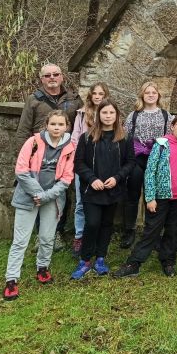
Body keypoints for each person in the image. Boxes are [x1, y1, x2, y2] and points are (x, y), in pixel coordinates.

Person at [113, 115, 177, 278]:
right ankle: (134, 263)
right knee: (151, 230)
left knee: (173, 231)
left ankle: (168, 260)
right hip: (160, 198)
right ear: (172, 127)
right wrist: (150, 197)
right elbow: (150, 172)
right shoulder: (161, 145)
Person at [3, 110, 76, 300]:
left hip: (52, 198)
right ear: (47, 125)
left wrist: (46, 196)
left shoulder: (70, 147)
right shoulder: (33, 142)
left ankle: (42, 267)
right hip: (28, 196)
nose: (56, 128)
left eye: (60, 124)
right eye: (53, 124)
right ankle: (11, 279)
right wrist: (37, 193)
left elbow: (66, 178)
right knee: (20, 241)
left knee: (47, 237)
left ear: (66, 126)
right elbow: (21, 170)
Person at [15, 63, 83, 251]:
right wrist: (24, 158)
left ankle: (57, 232)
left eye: (55, 74)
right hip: (39, 158)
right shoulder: (34, 100)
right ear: (41, 79)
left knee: (61, 195)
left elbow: (82, 126)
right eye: (47, 75)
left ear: (62, 77)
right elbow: (23, 130)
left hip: (64, 156)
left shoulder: (74, 99)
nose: (52, 78)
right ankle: (41, 235)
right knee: (38, 194)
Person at [72, 99, 135, 279]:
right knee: (92, 223)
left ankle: (100, 258)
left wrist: (117, 178)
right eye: (104, 112)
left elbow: (130, 162)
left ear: (117, 115)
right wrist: (92, 179)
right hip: (92, 190)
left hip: (113, 190)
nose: (108, 116)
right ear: (98, 115)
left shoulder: (125, 138)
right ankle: (85, 260)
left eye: (111, 113)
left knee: (107, 224)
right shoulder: (87, 137)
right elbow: (78, 163)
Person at [121, 81, 171, 249]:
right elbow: (126, 136)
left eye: (153, 92)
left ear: (158, 95)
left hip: (156, 159)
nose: (150, 95)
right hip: (137, 159)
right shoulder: (134, 115)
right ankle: (129, 230)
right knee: (132, 195)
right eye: (147, 92)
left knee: (153, 197)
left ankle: (152, 233)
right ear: (142, 95)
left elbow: (169, 138)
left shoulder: (165, 115)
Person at [70, 82, 110, 257]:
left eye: (101, 94)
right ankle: (79, 237)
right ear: (90, 95)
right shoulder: (81, 114)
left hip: (103, 165)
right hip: (84, 165)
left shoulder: (110, 113)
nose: (97, 96)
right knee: (81, 202)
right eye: (95, 93)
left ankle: (97, 238)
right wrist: (76, 162)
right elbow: (74, 138)